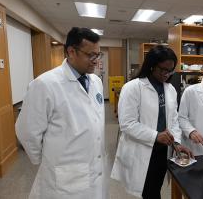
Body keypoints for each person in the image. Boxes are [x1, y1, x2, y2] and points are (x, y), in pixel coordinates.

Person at [15, 27, 107, 199]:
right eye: (91, 55)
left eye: (98, 55)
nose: (96, 61)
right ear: (71, 51)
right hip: (65, 175)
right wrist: (48, 160)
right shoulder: (45, 84)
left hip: (95, 167)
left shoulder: (95, 82)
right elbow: (27, 132)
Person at [110, 45, 192, 199]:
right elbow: (127, 124)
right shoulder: (133, 88)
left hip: (163, 152)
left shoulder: (170, 90)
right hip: (142, 150)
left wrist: (177, 143)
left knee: (155, 190)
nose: (167, 74)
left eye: (170, 71)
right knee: (149, 192)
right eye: (163, 69)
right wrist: (155, 136)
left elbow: (173, 120)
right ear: (152, 65)